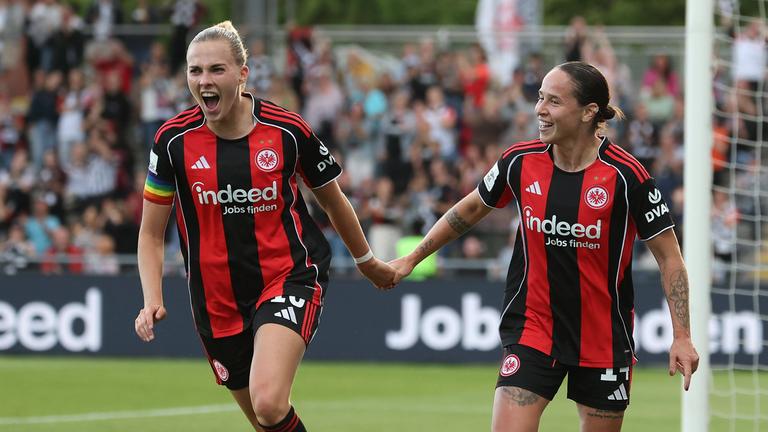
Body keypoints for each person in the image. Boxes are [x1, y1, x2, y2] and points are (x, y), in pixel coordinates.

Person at [390, 61, 699, 432]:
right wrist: (411, 258)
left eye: (554, 101)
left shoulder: (628, 176)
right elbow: (470, 208)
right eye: (540, 98)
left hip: (603, 336)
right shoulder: (519, 160)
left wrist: (682, 336)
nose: (540, 109)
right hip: (533, 328)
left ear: (588, 113)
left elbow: (670, 259)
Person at [134, 21, 395, 432]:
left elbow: (332, 199)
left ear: (242, 74)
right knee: (265, 422)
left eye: (216, 70)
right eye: (195, 71)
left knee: (270, 403)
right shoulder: (172, 142)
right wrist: (151, 298)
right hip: (215, 299)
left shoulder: (286, 130)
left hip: (286, 276)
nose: (204, 80)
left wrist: (365, 261)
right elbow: (151, 233)